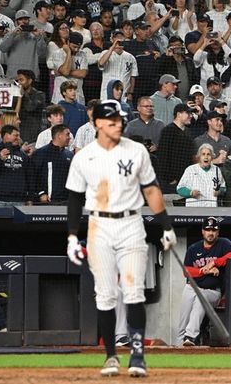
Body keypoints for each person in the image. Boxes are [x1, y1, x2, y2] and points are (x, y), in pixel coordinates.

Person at [65, 99, 177, 377]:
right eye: (113, 120)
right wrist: (70, 236)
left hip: (130, 224)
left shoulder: (136, 150)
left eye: (120, 120)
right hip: (98, 226)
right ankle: (111, 356)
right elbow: (75, 199)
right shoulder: (83, 156)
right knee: (104, 295)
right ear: (98, 123)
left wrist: (166, 226)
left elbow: (151, 190)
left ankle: (137, 355)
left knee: (134, 291)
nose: (119, 124)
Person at [179, 216, 231, 346]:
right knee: (183, 320)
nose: (210, 233)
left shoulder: (224, 243)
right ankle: (179, 347)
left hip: (213, 291)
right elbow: (186, 272)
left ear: (218, 232)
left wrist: (214, 263)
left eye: (213, 230)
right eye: (208, 229)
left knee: (202, 299)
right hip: (191, 288)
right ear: (202, 231)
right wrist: (204, 270)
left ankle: (190, 335)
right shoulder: (193, 248)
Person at [156, 104, 195, 199]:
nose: (191, 116)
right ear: (179, 114)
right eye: (188, 113)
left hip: (185, 180)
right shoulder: (168, 131)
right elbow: (163, 156)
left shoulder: (188, 132)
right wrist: (169, 178)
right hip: (171, 182)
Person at [0, 125, 29, 206]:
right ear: (6, 136)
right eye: (15, 135)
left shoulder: (24, 156)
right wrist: (0, 159)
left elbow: (29, 177)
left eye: (18, 136)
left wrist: (30, 198)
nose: (18, 138)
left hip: (18, 200)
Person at [30, 124, 73, 204]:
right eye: (67, 134)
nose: (69, 137)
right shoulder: (40, 153)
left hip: (66, 202)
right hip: (47, 202)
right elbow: (32, 176)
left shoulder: (69, 155)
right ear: (59, 135)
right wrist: (41, 193)